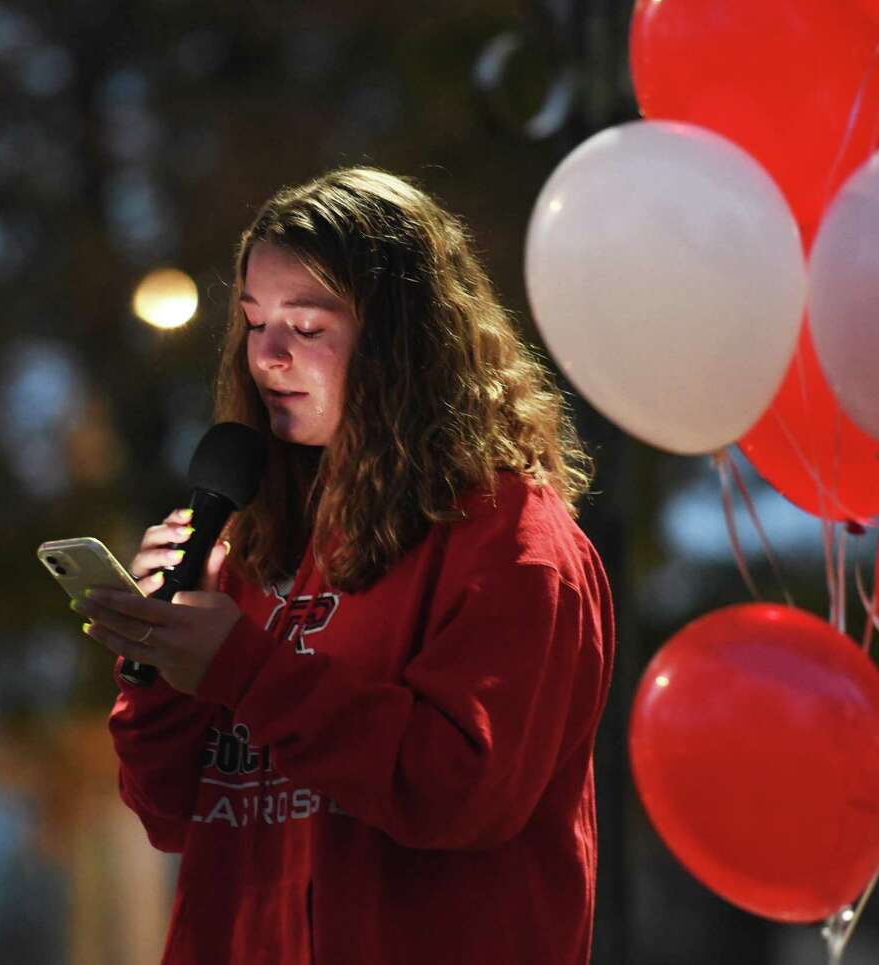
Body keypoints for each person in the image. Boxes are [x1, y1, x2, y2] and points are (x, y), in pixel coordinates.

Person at [75, 167, 615, 965]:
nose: (268, 357)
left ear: (407, 345)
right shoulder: (255, 541)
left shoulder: (511, 540)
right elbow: (172, 813)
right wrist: (155, 666)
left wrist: (244, 667)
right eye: (254, 322)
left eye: (308, 326)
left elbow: (460, 791)